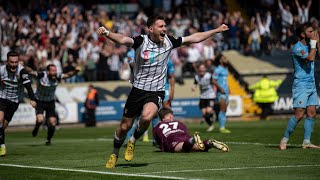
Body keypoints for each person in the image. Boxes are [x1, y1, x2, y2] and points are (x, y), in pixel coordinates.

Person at [97, 15, 229, 168]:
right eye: (160, 26)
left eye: (165, 26)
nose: (164, 29)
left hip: (156, 91)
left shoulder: (169, 42)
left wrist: (217, 30)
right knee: (124, 127)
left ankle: (132, 141)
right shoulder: (141, 41)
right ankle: (114, 153)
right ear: (151, 29)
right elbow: (122, 39)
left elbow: (194, 38)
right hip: (138, 90)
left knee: (147, 118)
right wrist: (107, 33)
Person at [279, 22, 320, 150]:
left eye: (313, 31)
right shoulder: (297, 48)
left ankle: (306, 142)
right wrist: (314, 43)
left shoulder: (311, 45)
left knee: (312, 112)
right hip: (301, 84)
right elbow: (311, 58)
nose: (313, 33)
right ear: (302, 34)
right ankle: (284, 139)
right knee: (299, 114)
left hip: (312, 84)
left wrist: (317, 42)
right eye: (310, 31)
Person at [29, 64, 79, 145]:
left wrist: (76, 71)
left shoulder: (57, 76)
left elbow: (68, 75)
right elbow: (30, 71)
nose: (55, 72)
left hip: (50, 101)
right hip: (40, 101)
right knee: (40, 120)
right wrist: (23, 65)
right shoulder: (41, 75)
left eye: (55, 70)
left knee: (52, 123)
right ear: (48, 71)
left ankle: (48, 140)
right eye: (52, 71)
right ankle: (37, 127)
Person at [0, 51, 37, 156]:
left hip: (14, 101)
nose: (14, 65)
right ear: (7, 61)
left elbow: (28, 86)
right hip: (1, 98)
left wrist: (32, 98)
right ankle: (2, 146)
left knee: (3, 127)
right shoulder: (1, 70)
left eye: (16, 62)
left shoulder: (22, 71)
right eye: (11, 62)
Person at [153, 108, 229, 153]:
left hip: (172, 138)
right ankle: (208, 143)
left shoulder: (157, 126)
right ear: (170, 116)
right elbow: (185, 131)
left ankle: (192, 140)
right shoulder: (179, 123)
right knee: (197, 148)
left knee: (181, 148)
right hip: (184, 136)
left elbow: (156, 142)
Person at [192, 63, 215, 132]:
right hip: (202, 96)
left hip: (210, 95)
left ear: (205, 69)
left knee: (208, 111)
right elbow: (195, 83)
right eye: (200, 68)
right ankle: (211, 125)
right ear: (199, 70)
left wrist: (216, 90)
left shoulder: (209, 76)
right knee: (204, 114)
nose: (202, 70)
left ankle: (211, 114)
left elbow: (214, 83)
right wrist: (194, 87)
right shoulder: (197, 77)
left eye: (203, 68)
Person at [212, 54, 231, 133]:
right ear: (220, 60)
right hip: (221, 93)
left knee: (224, 110)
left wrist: (228, 88)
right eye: (224, 58)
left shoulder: (225, 69)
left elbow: (225, 81)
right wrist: (220, 89)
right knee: (222, 109)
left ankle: (223, 126)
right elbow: (213, 80)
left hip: (226, 92)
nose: (226, 59)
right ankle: (222, 128)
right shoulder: (218, 69)